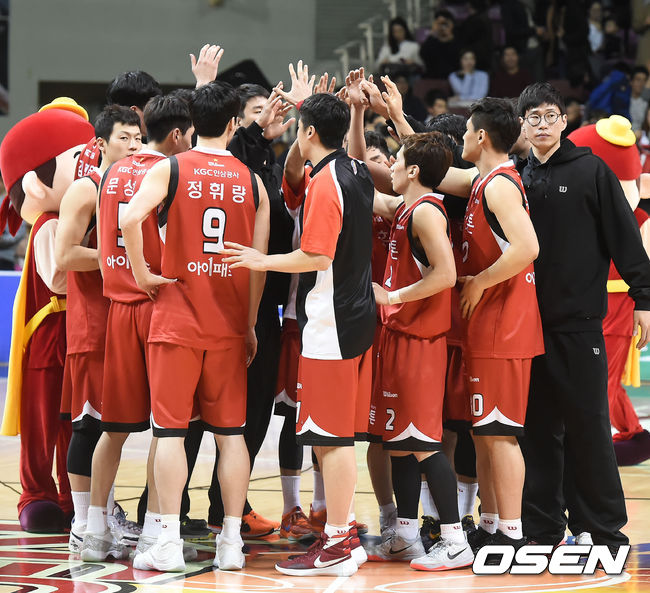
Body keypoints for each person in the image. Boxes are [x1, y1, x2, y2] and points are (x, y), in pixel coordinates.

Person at [222, 91, 375, 577]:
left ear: (308, 131)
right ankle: (342, 536)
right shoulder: (355, 169)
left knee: (333, 438)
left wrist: (261, 259)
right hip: (354, 317)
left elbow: (318, 255)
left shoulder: (327, 180)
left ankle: (339, 541)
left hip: (331, 323)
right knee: (332, 438)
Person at [122, 81, 269, 573]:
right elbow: (257, 267)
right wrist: (249, 324)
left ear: (190, 124)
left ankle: (165, 540)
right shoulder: (253, 182)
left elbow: (130, 218)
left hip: (176, 321)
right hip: (228, 325)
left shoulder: (170, 168)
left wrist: (143, 274)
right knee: (231, 436)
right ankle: (231, 542)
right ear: (234, 124)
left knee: (169, 433)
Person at [515, 82, 650, 551]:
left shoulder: (592, 170)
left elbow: (624, 237)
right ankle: (542, 528)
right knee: (536, 431)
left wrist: (644, 299)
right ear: (522, 125)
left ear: (564, 121)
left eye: (550, 116)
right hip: (526, 328)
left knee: (589, 428)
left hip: (580, 325)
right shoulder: (515, 177)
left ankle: (602, 529)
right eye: (533, 117)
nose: (543, 124)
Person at [80, 94, 194, 562]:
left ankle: (92, 530)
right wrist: (147, 271)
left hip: (118, 308)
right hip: (155, 302)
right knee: (166, 430)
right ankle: (153, 533)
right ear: (176, 135)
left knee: (113, 429)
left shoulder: (107, 175)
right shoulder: (166, 172)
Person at [437, 97, 544, 553]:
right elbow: (433, 172)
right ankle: (492, 522)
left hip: (505, 327)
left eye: (465, 133)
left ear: (481, 137)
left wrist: (480, 281)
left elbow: (528, 247)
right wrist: (397, 117)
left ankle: (513, 535)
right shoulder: (481, 179)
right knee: (484, 433)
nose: (461, 139)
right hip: (486, 326)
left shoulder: (499, 186)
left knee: (500, 435)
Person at [0, 104, 94, 533]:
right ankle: (35, 493)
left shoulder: (70, 221)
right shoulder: (49, 225)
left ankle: (70, 494)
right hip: (48, 336)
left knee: (72, 420)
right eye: (79, 159)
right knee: (41, 421)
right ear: (36, 182)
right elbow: (58, 277)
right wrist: (102, 256)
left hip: (74, 335)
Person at [55, 105, 142, 553]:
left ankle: (103, 515)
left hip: (126, 319)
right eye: (124, 137)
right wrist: (114, 257)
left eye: (138, 137)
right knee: (88, 424)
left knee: (116, 425)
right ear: (101, 143)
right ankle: (82, 521)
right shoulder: (85, 189)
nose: (133, 145)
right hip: (92, 321)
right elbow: (65, 255)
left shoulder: (140, 185)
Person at [419, 10, 461, 80]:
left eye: (445, 23)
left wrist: (450, 36)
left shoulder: (457, 41)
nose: (442, 26)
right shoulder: (432, 41)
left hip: (453, 79)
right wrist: (433, 33)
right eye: (439, 23)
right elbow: (423, 55)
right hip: (433, 79)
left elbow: (459, 59)